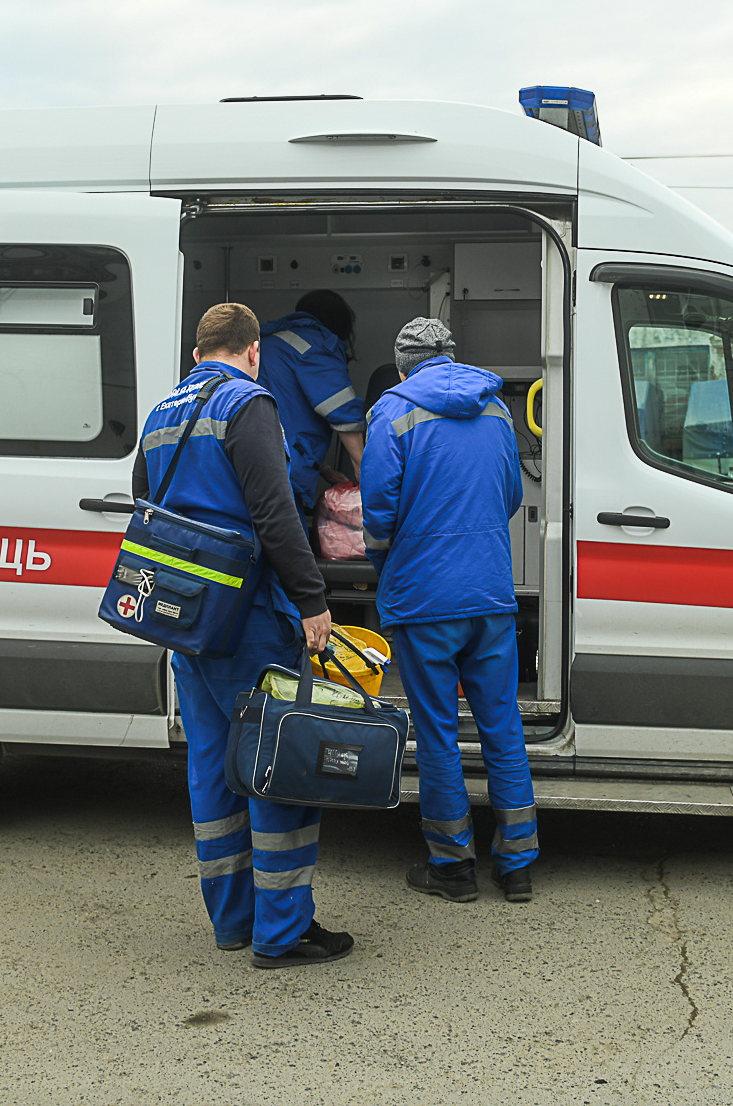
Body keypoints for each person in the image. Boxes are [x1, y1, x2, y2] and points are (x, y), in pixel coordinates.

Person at [132, 302, 352, 968]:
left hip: (187, 620)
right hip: (249, 618)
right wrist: (311, 598)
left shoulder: (162, 413)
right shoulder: (247, 404)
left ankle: (232, 921)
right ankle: (282, 933)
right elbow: (274, 510)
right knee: (277, 765)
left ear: (199, 354)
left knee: (213, 771)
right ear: (253, 351)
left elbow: (144, 503)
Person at [360, 317, 539, 903]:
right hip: (489, 591)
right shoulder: (495, 408)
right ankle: (516, 868)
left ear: (404, 361)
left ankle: (452, 867)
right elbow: (511, 493)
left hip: (422, 598)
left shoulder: (394, 411)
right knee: (502, 726)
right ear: (452, 356)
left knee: (437, 733)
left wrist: (386, 562)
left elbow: (379, 509)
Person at [258, 290, 367, 517]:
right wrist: (363, 469)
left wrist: (325, 469)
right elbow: (343, 411)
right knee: (291, 547)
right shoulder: (318, 346)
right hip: (282, 472)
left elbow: (288, 412)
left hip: (251, 461)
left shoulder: (269, 343)